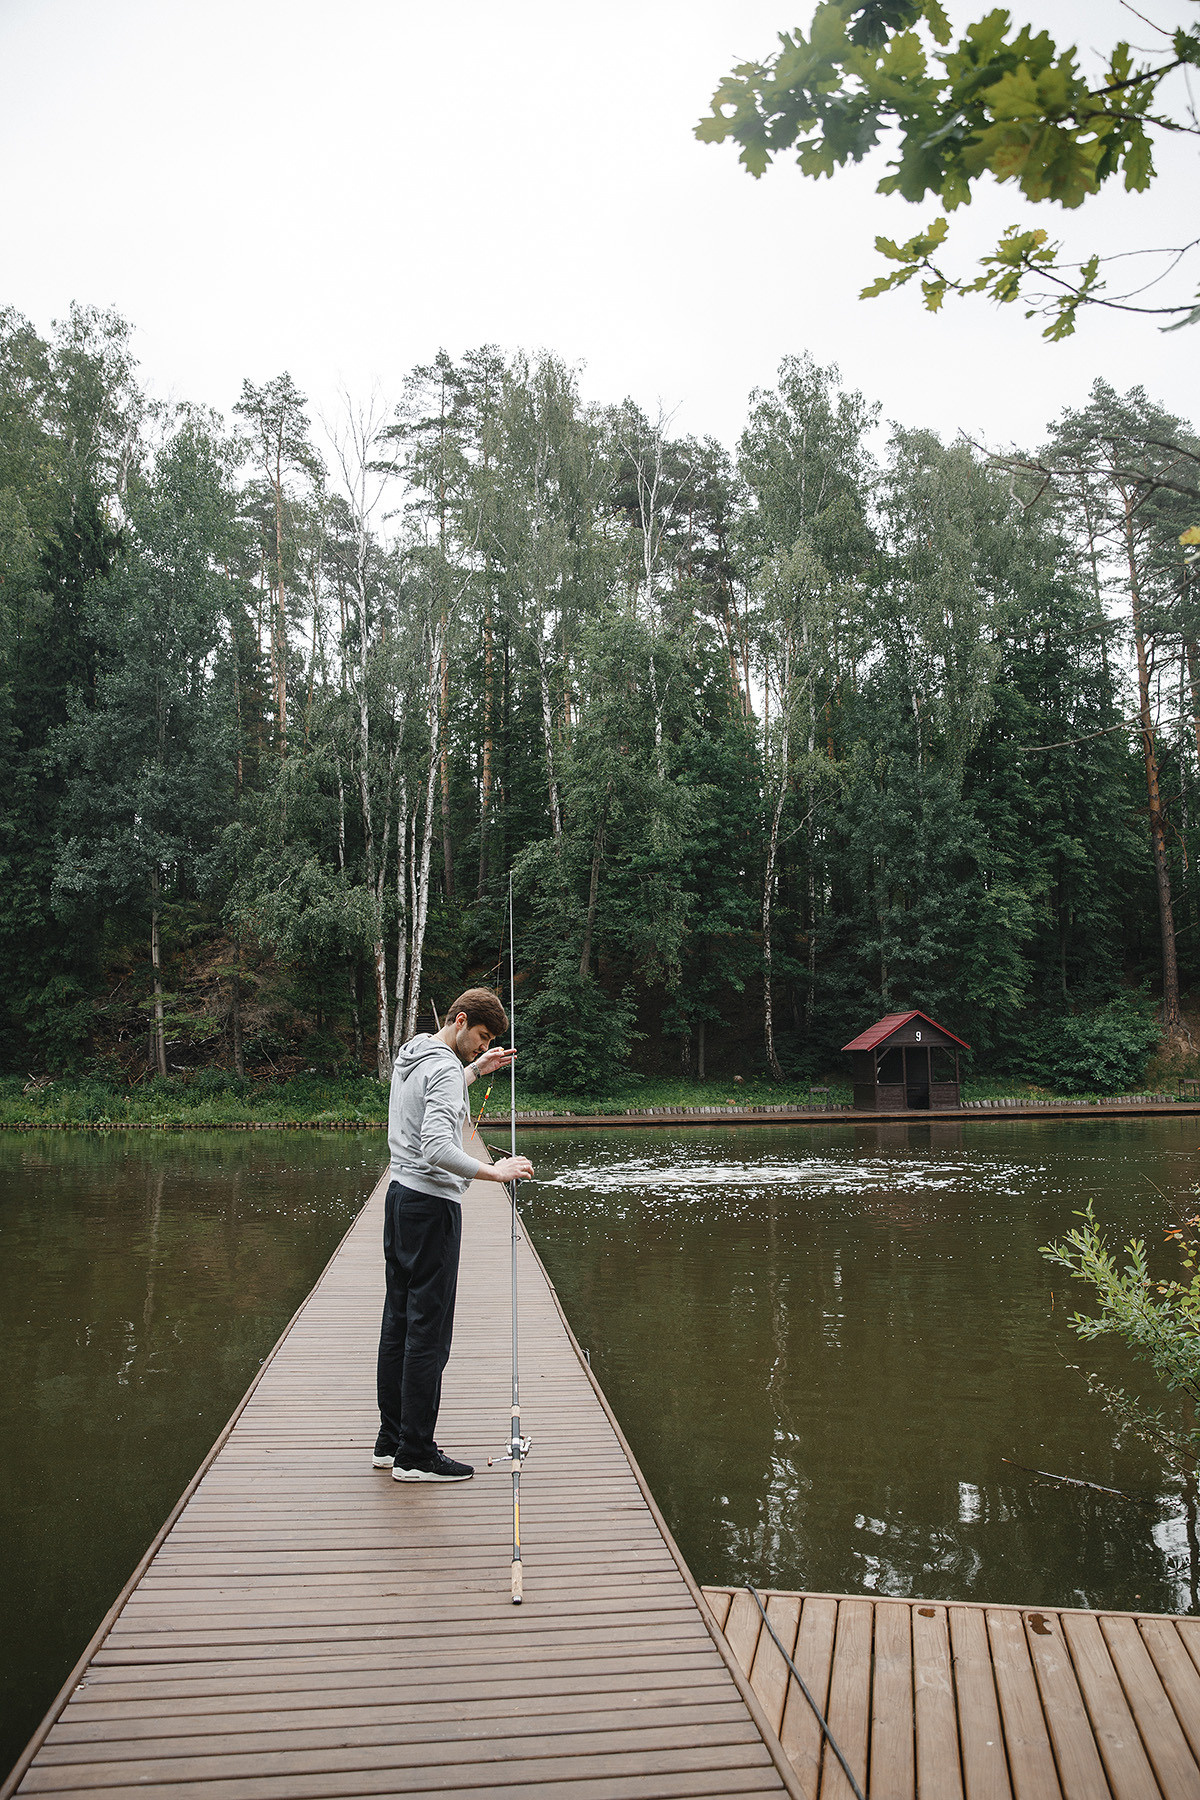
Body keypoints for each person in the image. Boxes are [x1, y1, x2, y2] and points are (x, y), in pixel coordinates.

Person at [374, 987, 534, 1483]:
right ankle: (416, 1454)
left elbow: (434, 1092)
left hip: (399, 1201)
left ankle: (391, 1440)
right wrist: (496, 1171)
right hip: (430, 1208)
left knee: (398, 1323)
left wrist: (475, 1071)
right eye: (480, 1039)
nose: (482, 1047)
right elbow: (438, 1147)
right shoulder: (443, 1066)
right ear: (460, 1020)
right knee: (429, 1333)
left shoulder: (416, 1052)